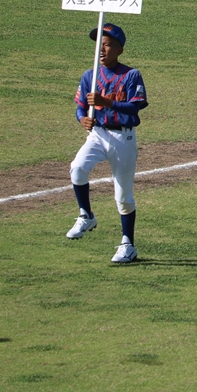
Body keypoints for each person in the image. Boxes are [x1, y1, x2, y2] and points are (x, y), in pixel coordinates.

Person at [66, 23, 148, 264]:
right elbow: (81, 106)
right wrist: (82, 119)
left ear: (119, 49)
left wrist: (107, 102)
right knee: (78, 167)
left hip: (123, 138)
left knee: (123, 196)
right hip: (98, 135)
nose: (101, 50)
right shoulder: (89, 75)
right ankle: (86, 215)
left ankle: (128, 245)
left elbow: (135, 106)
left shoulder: (131, 75)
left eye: (107, 45)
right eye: (98, 46)